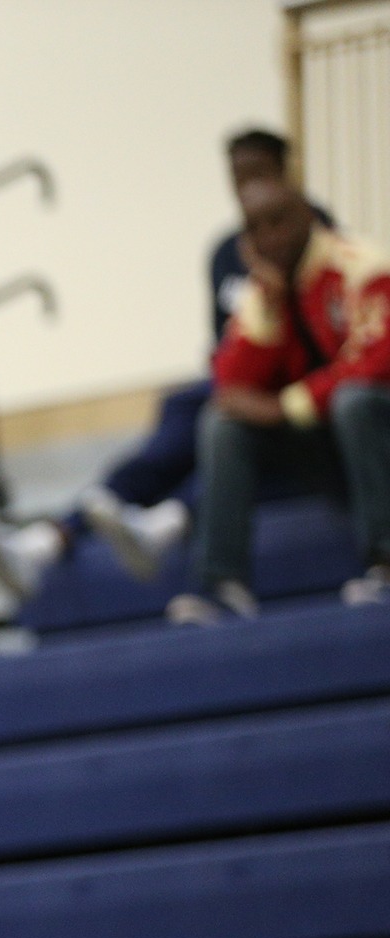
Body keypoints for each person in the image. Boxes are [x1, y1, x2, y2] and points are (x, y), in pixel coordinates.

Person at [0, 129, 332, 597]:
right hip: (244, 383)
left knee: (226, 429)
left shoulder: (321, 237)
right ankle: (50, 539)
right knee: (182, 412)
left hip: (296, 393)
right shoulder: (228, 251)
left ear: (285, 175)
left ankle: (166, 523)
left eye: (257, 175)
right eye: (236, 180)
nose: (246, 192)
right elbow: (226, 343)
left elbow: (327, 337)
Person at [172, 177, 390, 623]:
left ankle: (385, 565)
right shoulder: (261, 292)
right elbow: (231, 387)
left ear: (308, 216)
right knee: (222, 424)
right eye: (255, 228)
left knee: (353, 402)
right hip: (326, 441)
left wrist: (288, 406)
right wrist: (271, 312)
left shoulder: (361, 265)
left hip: (376, 425)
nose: (269, 237)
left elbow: (377, 361)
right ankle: (224, 586)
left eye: (279, 221)